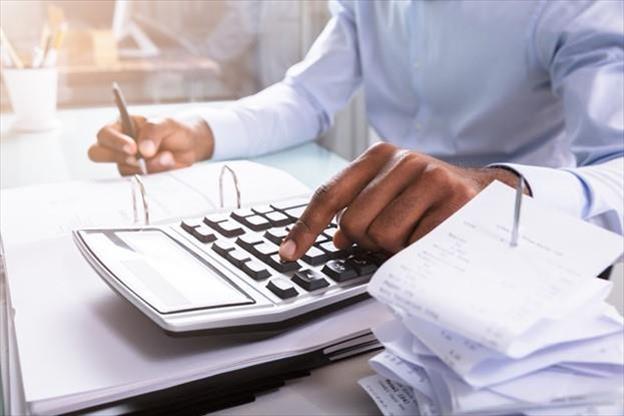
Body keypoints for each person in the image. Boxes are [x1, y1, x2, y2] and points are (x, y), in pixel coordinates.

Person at [88, 0, 624, 264]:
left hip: (520, 250)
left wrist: (504, 191)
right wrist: (202, 132)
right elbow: (307, 96)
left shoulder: (578, 9)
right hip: (375, 240)